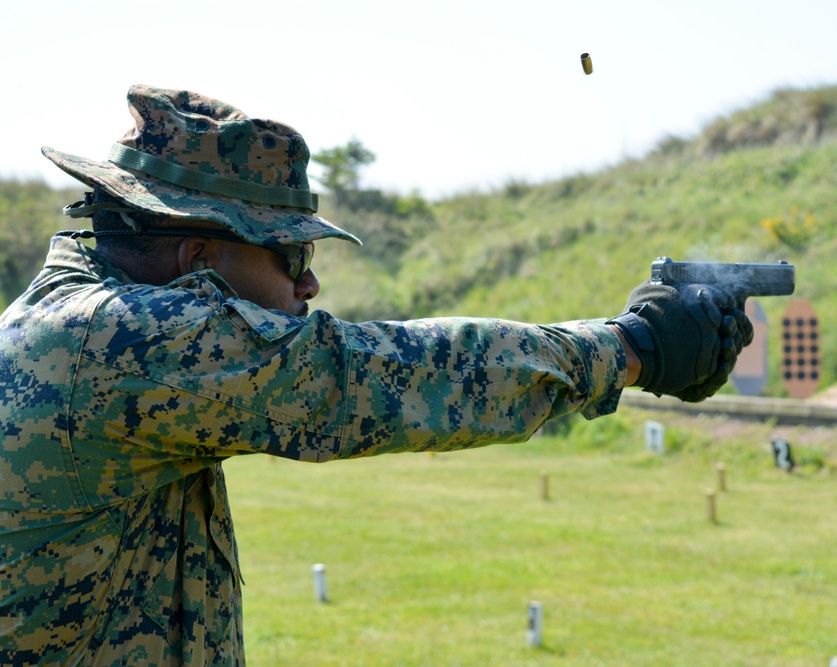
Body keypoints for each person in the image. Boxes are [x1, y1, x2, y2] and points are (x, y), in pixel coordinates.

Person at [0, 85, 752, 665]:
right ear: (199, 263)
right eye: (292, 257)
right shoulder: (117, 339)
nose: (308, 288)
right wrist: (626, 347)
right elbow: (379, 377)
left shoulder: (82, 331)